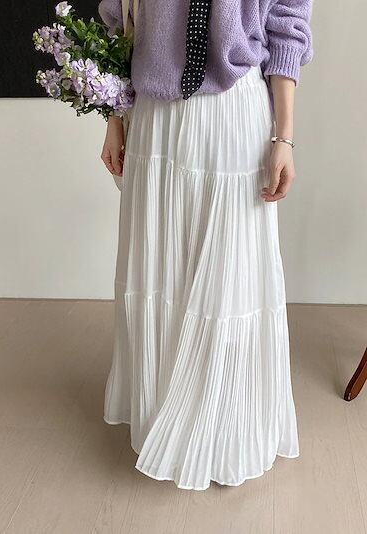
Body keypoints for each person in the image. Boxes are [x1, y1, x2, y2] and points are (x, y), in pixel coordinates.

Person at [98, 0, 313, 491]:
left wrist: (284, 137)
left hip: (234, 110)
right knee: (162, 272)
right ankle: (161, 416)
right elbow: (119, 19)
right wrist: (114, 118)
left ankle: (226, 430)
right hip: (156, 120)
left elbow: (287, 22)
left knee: (231, 281)